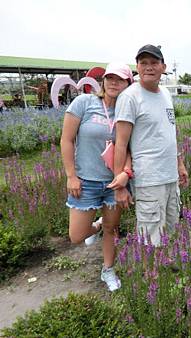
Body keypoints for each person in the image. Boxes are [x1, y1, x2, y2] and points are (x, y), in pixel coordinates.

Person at [60, 62, 134, 291]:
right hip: (87, 182)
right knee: (77, 235)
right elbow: (66, 140)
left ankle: (108, 270)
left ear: (128, 84)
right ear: (103, 81)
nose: (113, 82)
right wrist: (71, 176)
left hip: (115, 182)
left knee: (113, 229)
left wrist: (125, 175)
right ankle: (97, 225)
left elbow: (132, 147)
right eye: (109, 77)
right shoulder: (84, 102)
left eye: (120, 79)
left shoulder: (128, 111)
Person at [113, 44, 189, 247]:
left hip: (170, 176)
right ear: (137, 67)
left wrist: (179, 163)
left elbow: (169, 132)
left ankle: (164, 272)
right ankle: (149, 276)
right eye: (143, 63)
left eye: (154, 62)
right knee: (150, 238)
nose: (149, 67)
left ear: (163, 67)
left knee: (171, 228)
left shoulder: (165, 93)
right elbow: (120, 144)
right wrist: (119, 185)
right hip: (148, 179)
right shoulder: (130, 97)